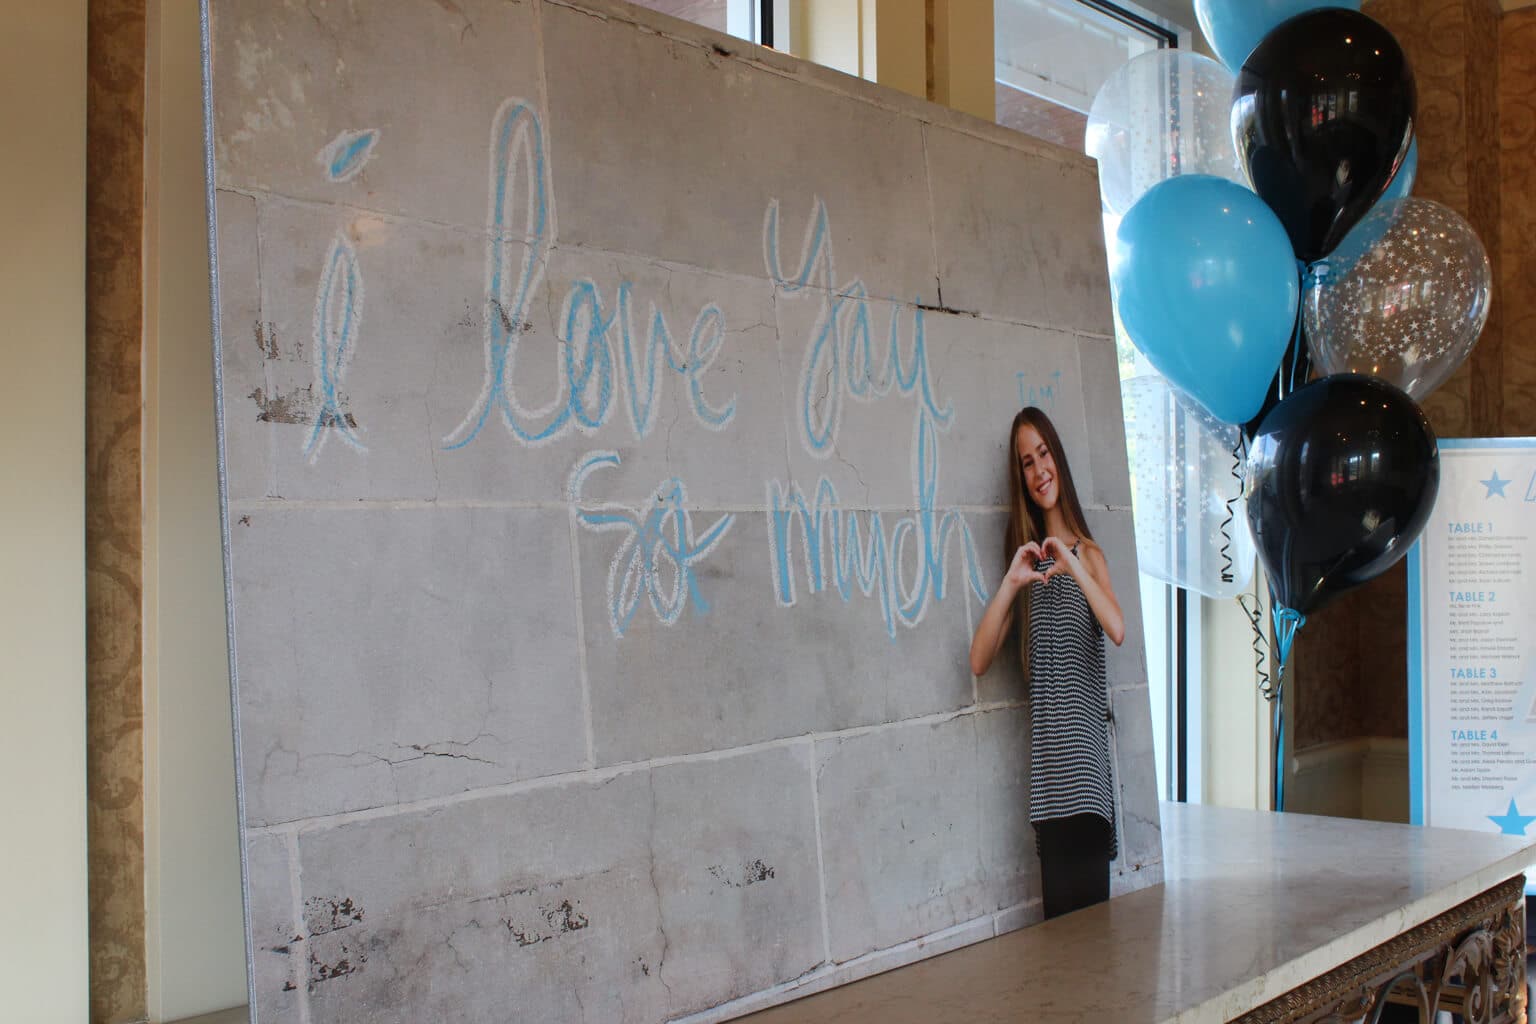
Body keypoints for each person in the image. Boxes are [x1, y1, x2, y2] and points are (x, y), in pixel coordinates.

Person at [968, 407, 1125, 919]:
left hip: (1088, 782)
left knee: (1093, 944)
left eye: (1044, 454)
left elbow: (1117, 630)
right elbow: (978, 660)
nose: (1039, 471)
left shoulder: (1089, 556)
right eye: (1026, 463)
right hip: (1050, 791)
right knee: (1062, 949)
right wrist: (1013, 581)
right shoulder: (1027, 570)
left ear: (1057, 458)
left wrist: (1072, 561)